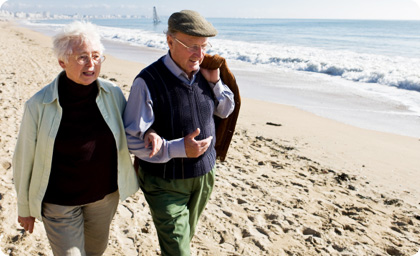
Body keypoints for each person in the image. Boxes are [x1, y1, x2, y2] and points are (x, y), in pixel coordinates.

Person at [12, 21, 154, 256]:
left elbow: (133, 129)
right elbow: (23, 158)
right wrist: (24, 208)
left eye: (96, 56)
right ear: (62, 62)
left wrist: (150, 133)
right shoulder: (38, 105)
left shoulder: (114, 93)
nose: (91, 64)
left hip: (103, 199)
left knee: (95, 252)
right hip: (59, 204)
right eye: (82, 58)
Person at [123, 10, 235, 256]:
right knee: (179, 250)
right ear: (170, 41)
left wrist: (216, 82)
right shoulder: (147, 81)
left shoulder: (206, 71)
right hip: (164, 183)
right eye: (192, 46)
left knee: (181, 241)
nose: (199, 54)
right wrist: (177, 148)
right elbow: (132, 139)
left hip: (204, 177)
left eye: (204, 46)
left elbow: (226, 110)